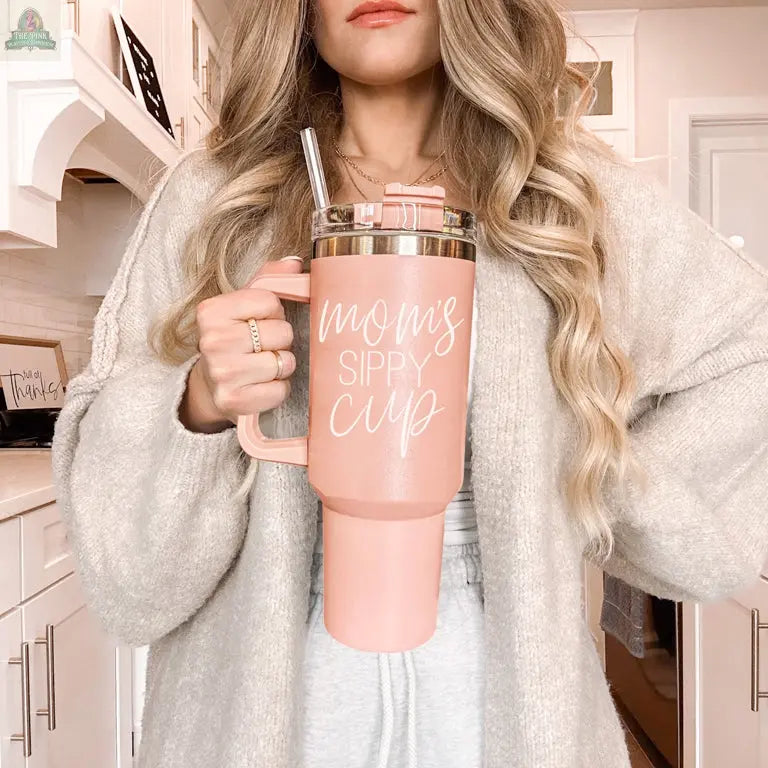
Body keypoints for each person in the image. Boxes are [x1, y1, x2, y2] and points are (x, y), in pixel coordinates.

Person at [51, 1, 768, 766]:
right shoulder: (216, 196)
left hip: (501, 698)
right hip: (262, 701)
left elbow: (746, 354)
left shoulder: (566, 193)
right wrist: (198, 402)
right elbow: (128, 584)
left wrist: (585, 476)